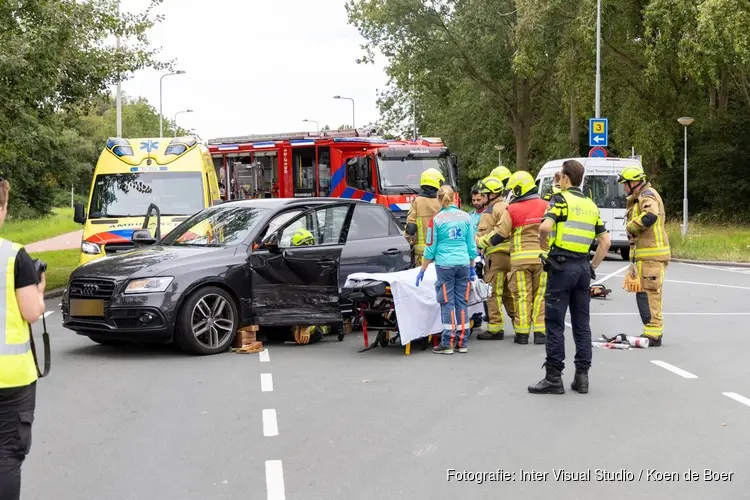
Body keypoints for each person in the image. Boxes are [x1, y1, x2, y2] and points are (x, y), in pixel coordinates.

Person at [528, 160, 610, 395]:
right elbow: (605, 242)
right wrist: (592, 266)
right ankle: (582, 378)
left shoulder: (561, 200)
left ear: (565, 178)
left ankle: (554, 377)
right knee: (582, 324)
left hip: (561, 267)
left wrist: (543, 244)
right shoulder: (591, 205)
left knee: (554, 323)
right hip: (583, 269)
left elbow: (544, 227)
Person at [0, 179, 47, 500]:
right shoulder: (13, 256)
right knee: (6, 454)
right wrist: (40, 290)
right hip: (10, 378)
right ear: (2, 209)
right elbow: (31, 313)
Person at [416, 185, 478, 355]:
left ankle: (448, 343)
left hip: (444, 266)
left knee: (447, 302)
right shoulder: (466, 218)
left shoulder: (436, 220)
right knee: (462, 302)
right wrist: (472, 267)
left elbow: (430, 248)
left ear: (439, 199)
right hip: (463, 264)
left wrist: (422, 269)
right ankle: (462, 342)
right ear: (455, 198)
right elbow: (472, 246)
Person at [495, 171, 550, 345]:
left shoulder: (511, 209)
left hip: (520, 260)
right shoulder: (547, 205)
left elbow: (500, 234)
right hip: (543, 259)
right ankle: (541, 333)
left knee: (522, 296)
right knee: (541, 296)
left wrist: (480, 241)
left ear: (519, 189)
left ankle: (522, 334)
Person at [617, 166, 670, 346]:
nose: (624, 188)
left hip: (651, 256)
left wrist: (632, 225)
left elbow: (650, 216)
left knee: (649, 294)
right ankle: (650, 331)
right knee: (644, 294)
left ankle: (654, 334)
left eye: (625, 184)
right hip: (644, 256)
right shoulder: (639, 197)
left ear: (634, 182)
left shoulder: (647, 195)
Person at [475, 174, 516, 340]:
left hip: (496, 258)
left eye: (484, 195)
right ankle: (520, 325)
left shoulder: (489, 211)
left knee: (492, 292)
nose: (482, 198)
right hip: (512, 256)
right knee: (508, 293)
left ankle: (495, 328)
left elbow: (483, 238)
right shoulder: (509, 207)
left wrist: (477, 242)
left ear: (491, 195)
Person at [289, 228, 327, 344]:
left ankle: (317, 329)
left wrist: (307, 325)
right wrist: (298, 326)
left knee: (312, 334)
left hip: (315, 315)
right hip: (303, 314)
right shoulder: (315, 264)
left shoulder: (312, 270)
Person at [404, 168, 443, 267]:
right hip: (442, 251)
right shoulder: (443, 202)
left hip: (422, 253)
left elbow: (410, 227)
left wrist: (408, 242)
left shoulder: (417, 201)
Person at [467, 183, 488, 330]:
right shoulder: (469, 216)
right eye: (474, 200)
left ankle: (486, 314)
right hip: (473, 255)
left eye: (478, 200)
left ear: (485, 198)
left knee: (484, 287)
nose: (476, 203)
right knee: (474, 286)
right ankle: (476, 316)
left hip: (485, 253)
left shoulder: (488, 215)